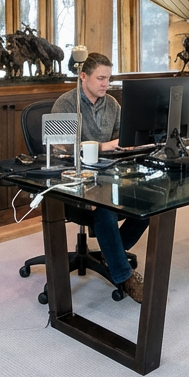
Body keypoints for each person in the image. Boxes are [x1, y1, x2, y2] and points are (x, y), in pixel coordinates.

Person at [50, 53, 147, 302]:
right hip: (75, 180)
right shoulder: (66, 103)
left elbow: (121, 140)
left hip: (109, 174)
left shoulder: (113, 104)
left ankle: (110, 250)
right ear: (83, 77)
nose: (106, 84)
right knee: (106, 208)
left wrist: (126, 147)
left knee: (151, 200)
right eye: (101, 78)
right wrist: (103, 147)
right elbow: (60, 149)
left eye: (108, 78)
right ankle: (124, 276)